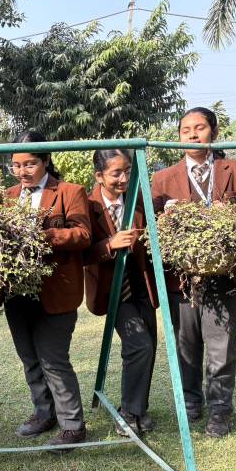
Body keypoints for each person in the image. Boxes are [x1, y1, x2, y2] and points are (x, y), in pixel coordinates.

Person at [151, 107, 236, 438]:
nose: (192, 134)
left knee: (221, 346)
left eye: (199, 128)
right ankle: (190, 404)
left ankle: (220, 410)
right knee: (185, 346)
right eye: (186, 130)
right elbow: (151, 226)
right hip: (182, 279)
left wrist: (231, 216)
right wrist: (168, 217)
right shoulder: (162, 178)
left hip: (227, 277)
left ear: (213, 132)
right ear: (179, 136)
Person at [3, 131, 92, 449]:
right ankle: (44, 412)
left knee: (53, 359)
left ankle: (73, 426)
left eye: (29, 164)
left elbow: (83, 234)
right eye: (16, 165)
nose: (22, 171)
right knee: (29, 357)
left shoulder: (69, 192)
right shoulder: (8, 196)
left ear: (46, 161)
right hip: (16, 291)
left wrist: (43, 236)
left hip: (57, 289)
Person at [84, 149, 158, 436]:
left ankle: (140, 409)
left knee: (148, 345)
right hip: (113, 290)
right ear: (99, 176)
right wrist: (109, 245)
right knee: (140, 344)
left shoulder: (137, 200)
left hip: (142, 285)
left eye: (127, 171)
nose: (124, 178)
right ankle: (128, 412)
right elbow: (81, 253)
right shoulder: (88, 205)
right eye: (116, 173)